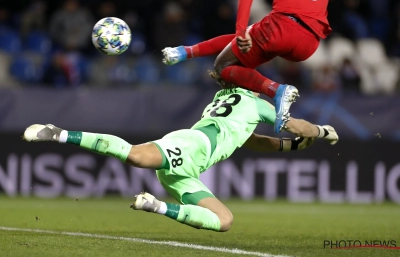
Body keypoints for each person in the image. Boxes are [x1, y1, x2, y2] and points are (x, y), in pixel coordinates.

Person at [23, 72, 338, 232]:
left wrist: (286, 146)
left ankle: (156, 206)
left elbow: (250, 139)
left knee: (224, 220)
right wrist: (322, 131)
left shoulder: (228, 100)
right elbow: (298, 126)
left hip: (189, 169)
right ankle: (60, 133)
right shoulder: (255, 103)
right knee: (135, 155)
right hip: (192, 147)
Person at [162, 0, 331, 133]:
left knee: (223, 65)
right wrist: (324, 133)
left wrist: (240, 29)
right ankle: (185, 51)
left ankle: (277, 90)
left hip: (284, 26)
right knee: (247, 37)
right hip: (310, 42)